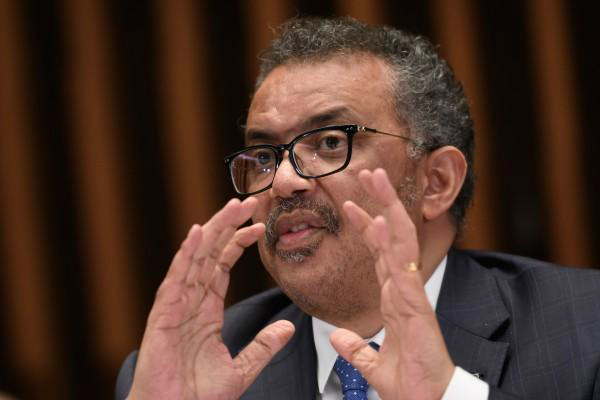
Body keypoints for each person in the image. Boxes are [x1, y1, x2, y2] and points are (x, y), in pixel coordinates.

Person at [116, 17, 600, 400]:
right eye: (264, 156)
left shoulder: (586, 328)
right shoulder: (197, 369)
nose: (282, 181)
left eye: (330, 142)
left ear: (436, 182)